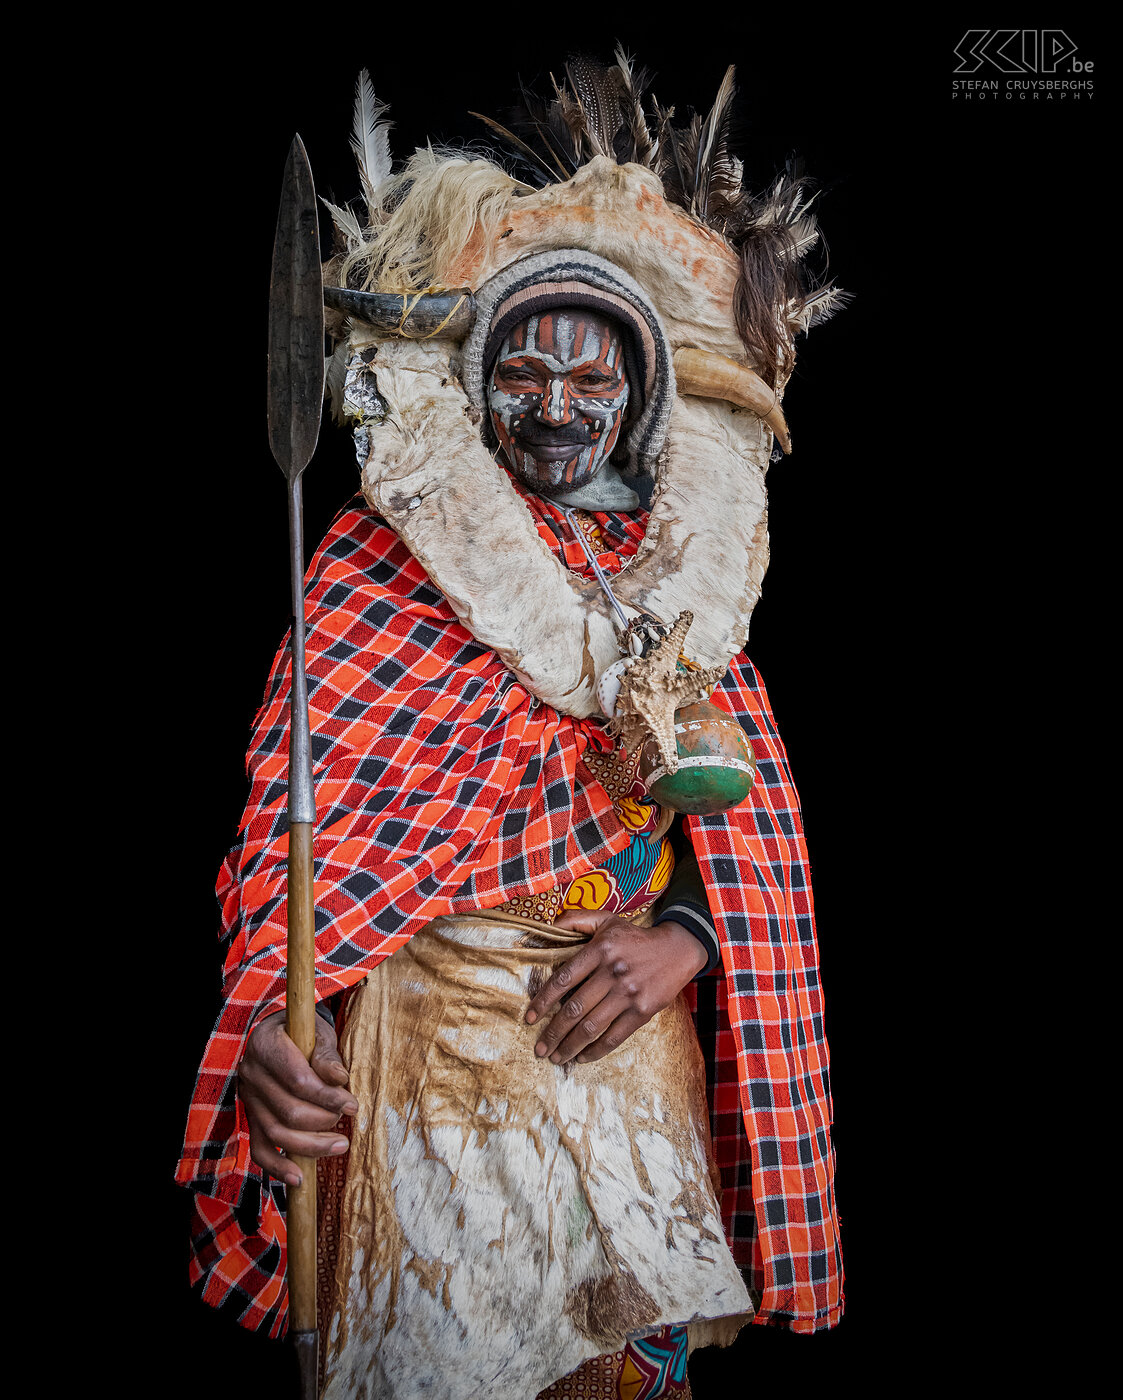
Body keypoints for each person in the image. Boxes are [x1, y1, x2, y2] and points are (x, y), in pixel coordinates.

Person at [178, 54, 844, 1400]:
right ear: (479, 389)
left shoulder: (684, 592)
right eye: (522, 372)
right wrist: (271, 1014)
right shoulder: (381, 571)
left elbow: (747, 831)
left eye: (588, 380)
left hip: (620, 1036)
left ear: (640, 404)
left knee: (626, 1375)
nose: (552, 406)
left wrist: (690, 938)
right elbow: (297, 821)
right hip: (429, 1050)